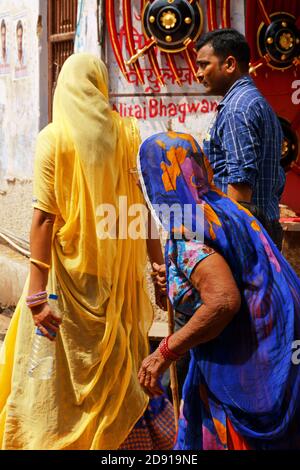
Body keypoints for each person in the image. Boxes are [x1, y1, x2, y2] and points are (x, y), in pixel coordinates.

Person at [0, 54, 175, 450]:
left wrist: (36, 295)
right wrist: (159, 269)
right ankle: (121, 442)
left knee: (51, 374)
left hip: (64, 284)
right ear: (101, 86)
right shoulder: (128, 133)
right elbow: (139, 209)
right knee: (116, 369)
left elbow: (44, 219)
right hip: (116, 283)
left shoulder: (53, 137)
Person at [138, 131, 300, 450]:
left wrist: (164, 352)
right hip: (279, 349)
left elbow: (223, 301)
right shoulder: (224, 207)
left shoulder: (188, 230)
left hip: (246, 370)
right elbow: (220, 279)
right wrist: (171, 284)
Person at [196, 29, 285, 251]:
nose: (198, 74)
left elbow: (240, 183)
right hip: (258, 230)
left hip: (245, 235)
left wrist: (233, 245)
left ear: (229, 64)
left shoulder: (238, 108)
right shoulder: (253, 102)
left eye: (204, 64)